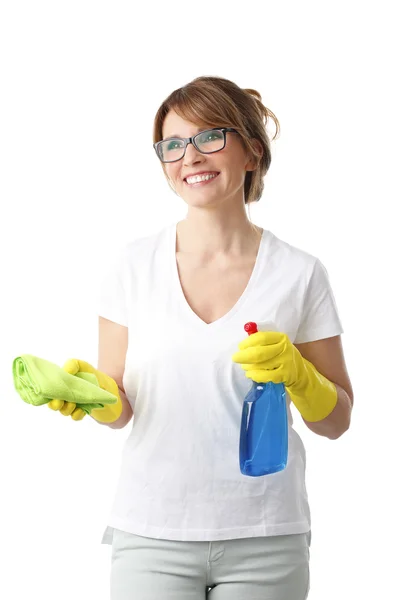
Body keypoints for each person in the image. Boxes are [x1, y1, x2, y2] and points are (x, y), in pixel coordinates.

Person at [49, 76, 354, 599]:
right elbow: (121, 408)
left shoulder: (300, 273)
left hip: (266, 536)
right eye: (173, 144)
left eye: (210, 136)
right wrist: (91, 396)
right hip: (151, 532)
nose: (189, 155)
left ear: (252, 151)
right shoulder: (131, 266)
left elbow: (337, 422)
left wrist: (302, 377)